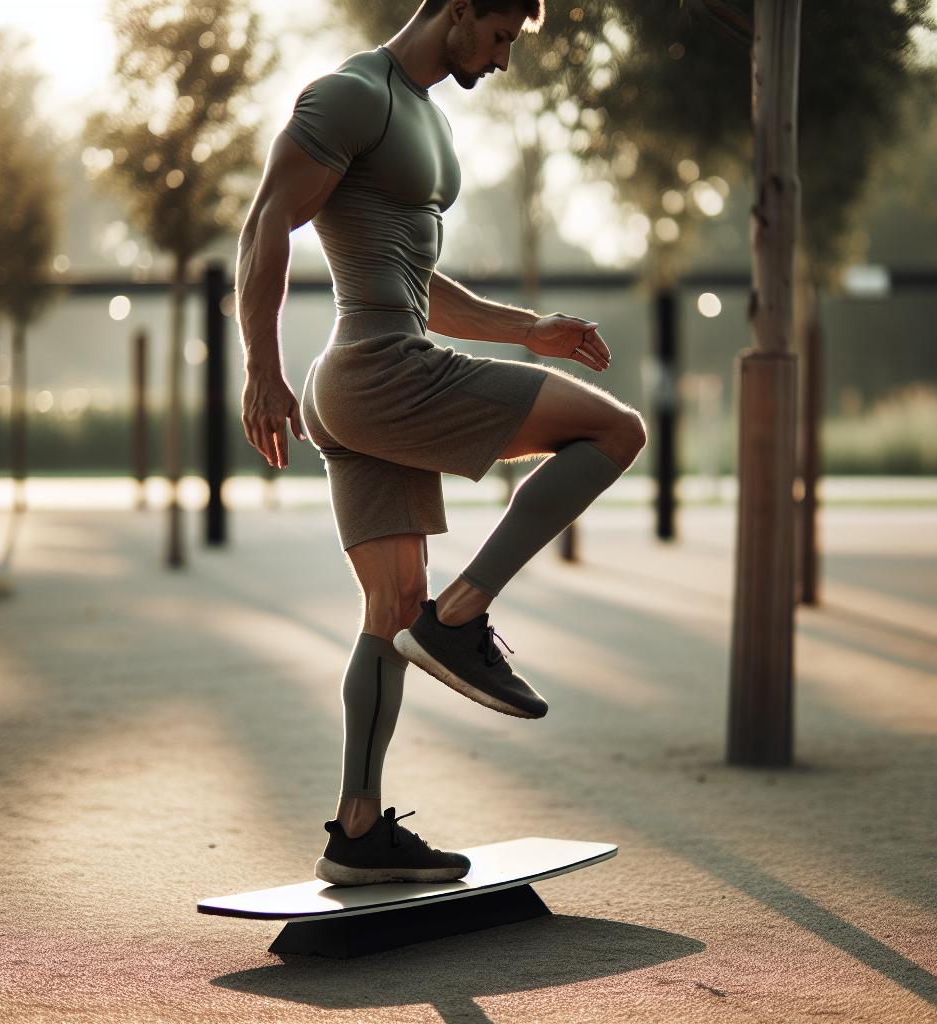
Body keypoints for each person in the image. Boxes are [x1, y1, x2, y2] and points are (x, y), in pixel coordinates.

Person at [235, 0, 644, 886]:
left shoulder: (424, 115)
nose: (503, 59)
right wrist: (259, 371)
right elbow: (265, 224)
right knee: (614, 430)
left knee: (390, 614)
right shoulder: (352, 94)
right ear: (459, 9)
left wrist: (525, 328)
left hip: (359, 382)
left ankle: (358, 831)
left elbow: (416, 279)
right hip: (380, 367)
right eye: (500, 36)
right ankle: (461, 616)